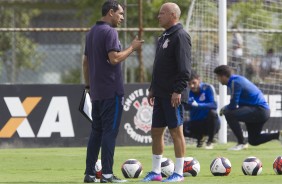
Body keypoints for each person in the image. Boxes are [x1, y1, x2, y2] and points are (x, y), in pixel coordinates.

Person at [82, 0, 144, 183]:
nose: (122, 18)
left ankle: (90, 173)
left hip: (97, 91)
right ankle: (107, 175)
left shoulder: (91, 32)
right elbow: (114, 58)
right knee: (109, 132)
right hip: (111, 90)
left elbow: (85, 62)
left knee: (96, 132)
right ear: (110, 12)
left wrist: (88, 86)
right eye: (120, 14)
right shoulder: (109, 32)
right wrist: (132, 47)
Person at [142, 2, 191, 182]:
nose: (158, 16)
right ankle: (156, 172)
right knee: (156, 132)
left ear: (172, 15)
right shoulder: (164, 36)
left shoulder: (180, 36)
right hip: (160, 94)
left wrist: (178, 90)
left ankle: (178, 173)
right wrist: (153, 88)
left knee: (176, 132)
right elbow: (159, 67)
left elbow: (185, 68)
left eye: (162, 13)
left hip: (173, 95)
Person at [214, 65, 282, 151]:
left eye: (218, 77)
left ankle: (241, 143)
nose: (218, 79)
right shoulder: (236, 80)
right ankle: (278, 135)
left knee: (228, 113)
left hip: (259, 110)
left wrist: (224, 108)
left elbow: (233, 105)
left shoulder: (235, 82)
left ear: (223, 76)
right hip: (259, 111)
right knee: (254, 140)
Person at [183, 70, 220, 149]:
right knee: (180, 127)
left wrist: (198, 105)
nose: (192, 86)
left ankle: (210, 141)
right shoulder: (187, 92)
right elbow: (186, 108)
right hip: (196, 122)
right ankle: (200, 137)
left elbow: (214, 105)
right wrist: (186, 103)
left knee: (213, 113)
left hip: (209, 123)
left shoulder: (208, 88)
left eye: (194, 83)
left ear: (199, 80)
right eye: (189, 84)